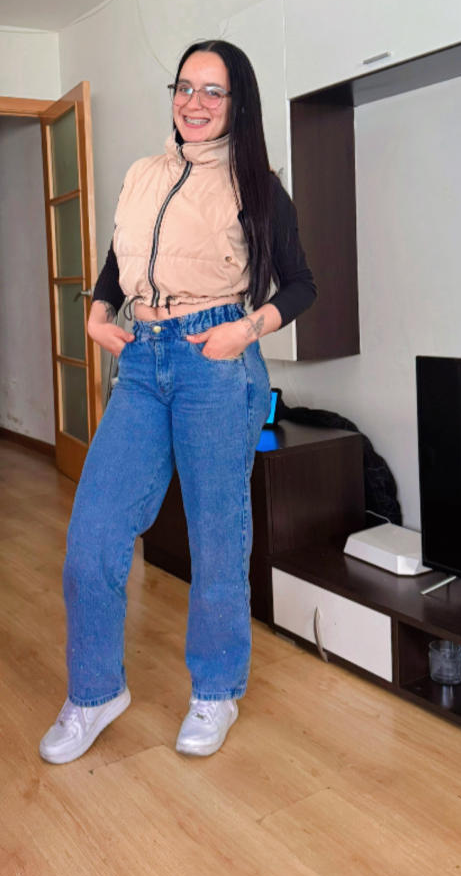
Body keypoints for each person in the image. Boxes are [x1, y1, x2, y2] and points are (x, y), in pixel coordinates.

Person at [39, 39, 316, 764]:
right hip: (140, 361)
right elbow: (119, 260)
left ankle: (216, 690)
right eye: (184, 87)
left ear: (237, 103)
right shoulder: (143, 175)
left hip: (214, 364)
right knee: (94, 534)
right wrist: (97, 311)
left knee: (217, 538)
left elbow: (301, 284)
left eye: (212, 91)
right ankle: (94, 693)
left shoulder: (257, 186)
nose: (194, 102)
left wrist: (244, 331)